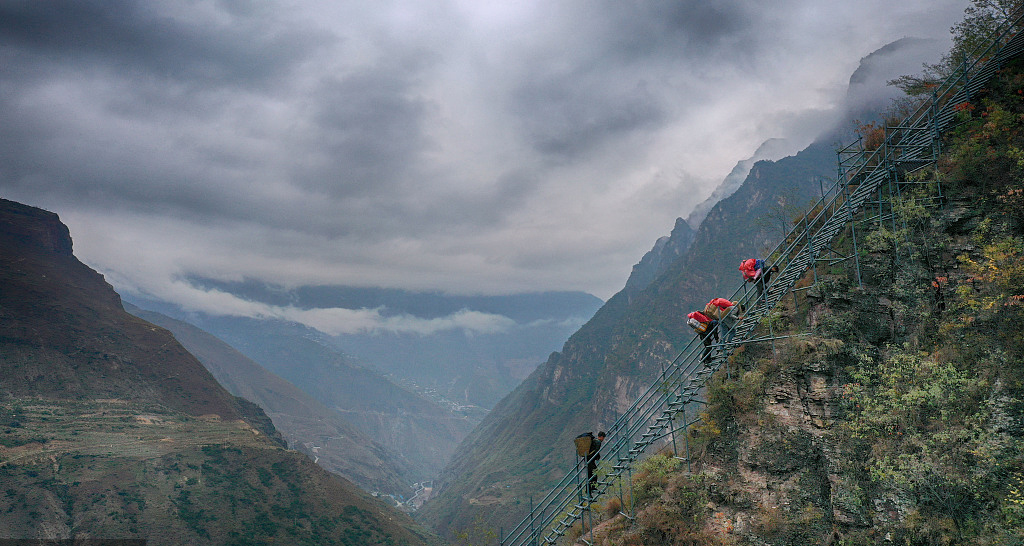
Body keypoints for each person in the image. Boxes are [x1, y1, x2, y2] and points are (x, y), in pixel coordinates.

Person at [587, 431, 605, 497]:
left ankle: (589, 491)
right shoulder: (598, 442)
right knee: (594, 473)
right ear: (602, 437)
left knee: (590, 475)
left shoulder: (594, 440)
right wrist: (598, 457)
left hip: (588, 459)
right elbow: (596, 451)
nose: (603, 440)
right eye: (603, 438)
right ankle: (592, 488)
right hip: (590, 460)